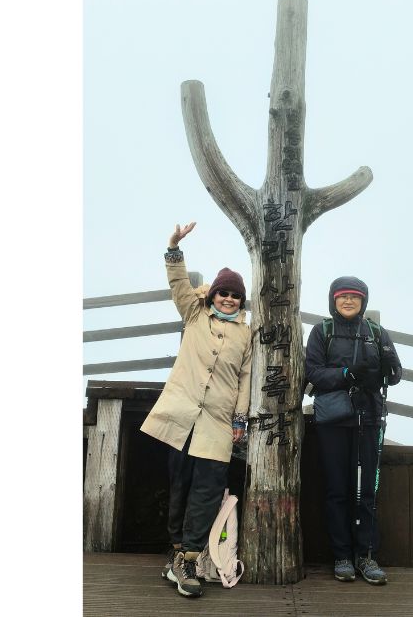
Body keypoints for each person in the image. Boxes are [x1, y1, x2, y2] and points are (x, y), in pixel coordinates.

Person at [140, 222, 251, 598]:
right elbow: (178, 284)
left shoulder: (245, 334)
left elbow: (246, 378)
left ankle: (189, 558)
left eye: (235, 296)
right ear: (214, 294)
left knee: (207, 490)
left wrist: (240, 418)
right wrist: (173, 245)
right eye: (223, 293)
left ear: (241, 301)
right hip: (182, 417)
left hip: (218, 423)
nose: (229, 300)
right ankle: (177, 555)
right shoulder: (194, 314)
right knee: (180, 486)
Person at [304, 277, 402, 586]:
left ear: (364, 302)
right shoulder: (322, 332)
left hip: (369, 418)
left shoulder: (375, 333)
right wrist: (347, 375)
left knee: (365, 492)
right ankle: (342, 556)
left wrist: (387, 368)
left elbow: (396, 373)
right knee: (336, 490)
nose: (348, 301)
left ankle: (366, 555)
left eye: (355, 297)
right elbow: (313, 373)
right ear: (333, 300)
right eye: (343, 296)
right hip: (333, 422)